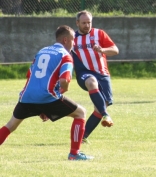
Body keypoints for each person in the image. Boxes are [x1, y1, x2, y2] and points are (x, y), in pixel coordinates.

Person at [0, 25, 93, 161]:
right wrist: (63, 90)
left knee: (11, 125)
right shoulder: (65, 55)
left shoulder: (42, 51)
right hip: (47, 95)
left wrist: (43, 108)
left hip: (26, 96)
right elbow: (64, 81)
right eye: (73, 40)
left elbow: (30, 74)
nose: (74, 43)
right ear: (66, 40)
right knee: (81, 113)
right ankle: (74, 154)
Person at [71, 10, 119, 142]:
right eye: (84, 23)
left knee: (102, 105)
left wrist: (102, 50)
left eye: (89, 22)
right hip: (84, 74)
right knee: (91, 81)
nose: (87, 25)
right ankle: (106, 115)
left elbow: (115, 50)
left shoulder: (99, 33)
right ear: (77, 23)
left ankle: (82, 137)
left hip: (102, 74)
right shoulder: (72, 38)